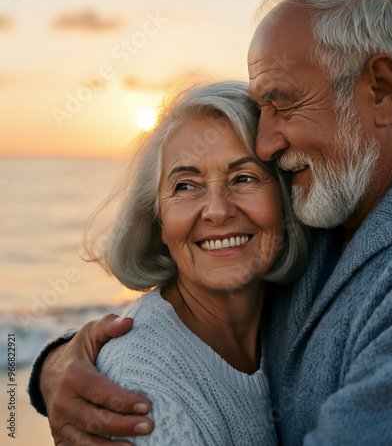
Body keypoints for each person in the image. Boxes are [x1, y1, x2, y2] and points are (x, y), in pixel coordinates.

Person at [30, 0, 392, 445]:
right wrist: (56, 365)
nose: (266, 141)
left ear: (379, 88)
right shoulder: (325, 210)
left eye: (284, 104)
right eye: (186, 185)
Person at [31, 80, 309, 445]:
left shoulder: (294, 309)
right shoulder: (140, 389)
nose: (217, 210)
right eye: (185, 186)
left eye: (244, 178)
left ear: (285, 202)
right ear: (158, 219)